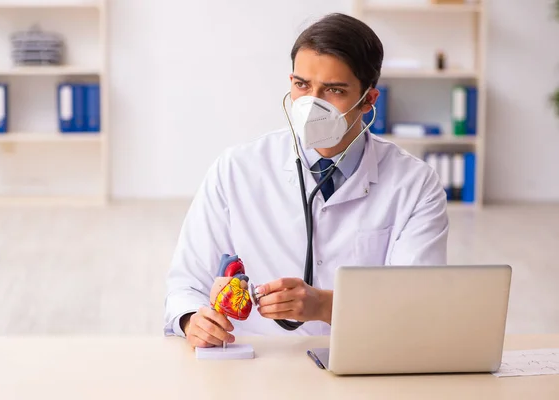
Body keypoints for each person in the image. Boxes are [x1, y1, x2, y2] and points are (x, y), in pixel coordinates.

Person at [164, 13, 449, 349]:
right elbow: (185, 284)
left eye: (334, 90)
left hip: (364, 353)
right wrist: (191, 320)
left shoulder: (415, 184)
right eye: (302, 85)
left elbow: (416, 304)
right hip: (256, 361)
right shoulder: (236, 169)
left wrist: (325, 306)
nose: (313, 104)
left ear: (369, 99)